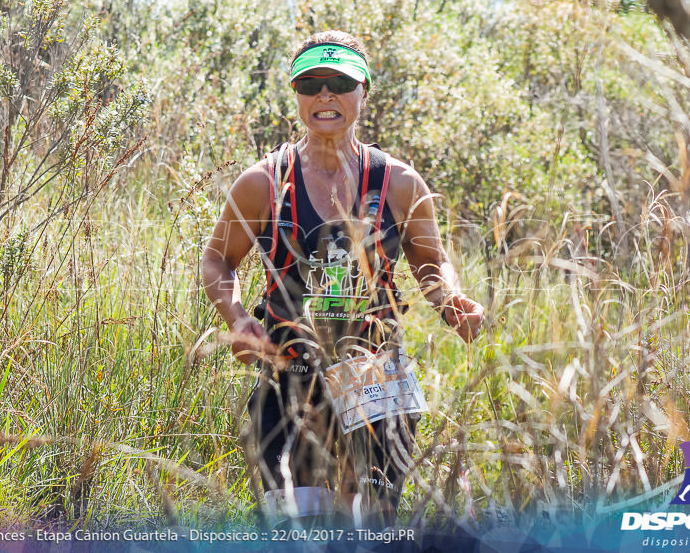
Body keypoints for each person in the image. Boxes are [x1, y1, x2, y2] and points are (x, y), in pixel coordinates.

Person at [202, 30, 485, 527]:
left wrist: (452, 300)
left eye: (340, 82)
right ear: (296, 95)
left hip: (375, 376)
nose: (325, 94)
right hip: (288, 375)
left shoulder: (398, 182)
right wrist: (239, 318)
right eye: (311, 82)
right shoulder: (263, 182)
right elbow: (217, 260)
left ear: (363, 93)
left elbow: (429, 262)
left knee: (370, 526)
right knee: (296, 524)